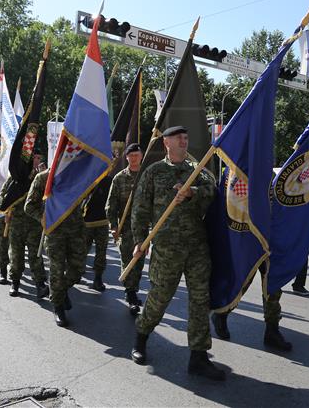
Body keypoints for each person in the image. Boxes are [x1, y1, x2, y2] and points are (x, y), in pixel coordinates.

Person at [129, 126, 224, 380]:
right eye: (178, 138)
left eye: (186, 137)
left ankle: (199, 357)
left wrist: (193, 193)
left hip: (197, 247)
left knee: (200, 300)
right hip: (166, 247)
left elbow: (213, 193)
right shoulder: (154, 172)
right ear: (166, 143)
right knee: (160, 297)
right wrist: (140, 240)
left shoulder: (197, 171)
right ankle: (141, 339)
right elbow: (140, 209)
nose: (184, 140)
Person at [24, 167, 86, 327]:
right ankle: (58, 307)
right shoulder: (43, 177)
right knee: (57, 271)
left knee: (77, 270)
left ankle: (60, 290)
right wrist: (42, 217)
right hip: (54, 233)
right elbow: (29, 206)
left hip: (76, 231)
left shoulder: (77, 174)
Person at [211, 267, 292, 351]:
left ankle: (272, 330)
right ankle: (222, 313)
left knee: (273, 286)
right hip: (251, 253)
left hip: (273, 255)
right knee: (242, 281)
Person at [106, 143, 145, 315]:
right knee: (128, 260)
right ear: (127, 157)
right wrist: (113, 226)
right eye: (131, 155)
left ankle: (133, 290)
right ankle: (130, 295)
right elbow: (111, 205)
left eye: (137, 155)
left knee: (139, 262)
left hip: (144, 227)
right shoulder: (119, 178)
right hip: (126, 227)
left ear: (142, 156)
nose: (135, 158)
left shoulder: (147, 176)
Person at [3, 154, 49, 299]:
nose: (35, 161)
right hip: (16, 223)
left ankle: (40, 284)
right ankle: (15, 282)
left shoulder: (40, 177)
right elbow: (3, 196)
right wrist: (6, 209)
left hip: (34, 224)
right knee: (16, 255)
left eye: (37, 159)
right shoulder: (14, 179)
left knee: (36, 256)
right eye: (33, 159)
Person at [82, 175, 112, 293]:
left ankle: (98, 278)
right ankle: (77, 272)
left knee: (101, 252)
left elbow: (113, 199)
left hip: (102, 221)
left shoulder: (109, 180)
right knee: (82, 250)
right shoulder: (87, 176)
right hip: (86, 221)